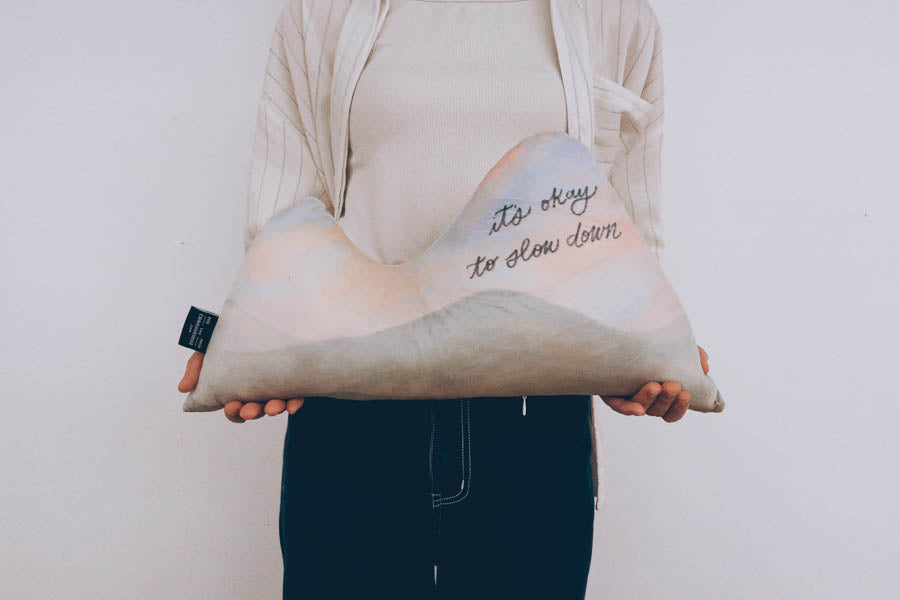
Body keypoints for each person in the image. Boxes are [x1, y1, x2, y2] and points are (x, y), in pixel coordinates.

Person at [178, 0, 711, 597]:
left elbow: (626, 225)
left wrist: (644, 347)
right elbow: (286, 209)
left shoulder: (616, 16)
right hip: (352, 419)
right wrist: (252, 340)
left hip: (532, 428)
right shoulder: (320, 11)